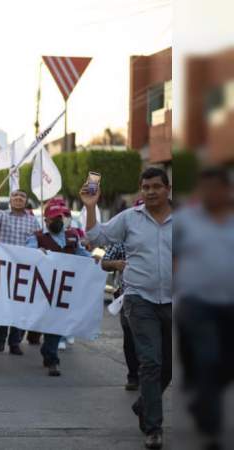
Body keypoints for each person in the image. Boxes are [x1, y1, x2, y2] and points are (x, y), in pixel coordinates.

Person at [82, 167, 173, 450]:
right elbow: (96, 238)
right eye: (145, 187)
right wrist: (91, 207)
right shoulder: (129, 219)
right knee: (151, 362)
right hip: (138, 299)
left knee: (167, 369)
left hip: (173, 300)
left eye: (156, 186)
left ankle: (145, 403)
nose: (150, 192)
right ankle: (153, 428)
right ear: (140, 190)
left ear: (167, 189)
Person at [174, 167, 233, 450]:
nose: (210, 194)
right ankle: (211, 428)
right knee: (208, 358)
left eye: (215, 188)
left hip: (230, 307)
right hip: (196, 305)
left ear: (226, 190)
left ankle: (201, 399)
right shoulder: (185, 221)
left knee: (226, 365)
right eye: (205, 188)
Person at [25, 202, 94, 377]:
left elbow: (81, 254)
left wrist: (95, 260)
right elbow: (27, 255)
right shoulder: (37, 237)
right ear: (46, 220)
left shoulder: (72, 236)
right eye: (54, 217)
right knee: (49, 321)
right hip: (44, 288)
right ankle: (51, 355)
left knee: (59, 322)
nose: (58, 220)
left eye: (60, 217)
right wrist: (36, 252)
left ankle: (51, 355)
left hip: (66, 288)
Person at [0, 189, 41, 357]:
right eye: (15, 195)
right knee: (5, 306)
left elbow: (39, 240)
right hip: (5, 268)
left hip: (25, 271)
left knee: (21, 308)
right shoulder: (2, 215)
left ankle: (15, 342)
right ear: (10, 200)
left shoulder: (33, 221)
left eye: (22, 196)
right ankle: (1, 337)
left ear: (26, 201)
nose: (19, 198)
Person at [102, 241, 139, 391]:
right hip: (127, 297)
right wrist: (116, 264)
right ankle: (134, 376)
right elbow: (105, 262)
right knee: (130, 337)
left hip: (157, 297)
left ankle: (149, 375)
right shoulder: (122, 240)